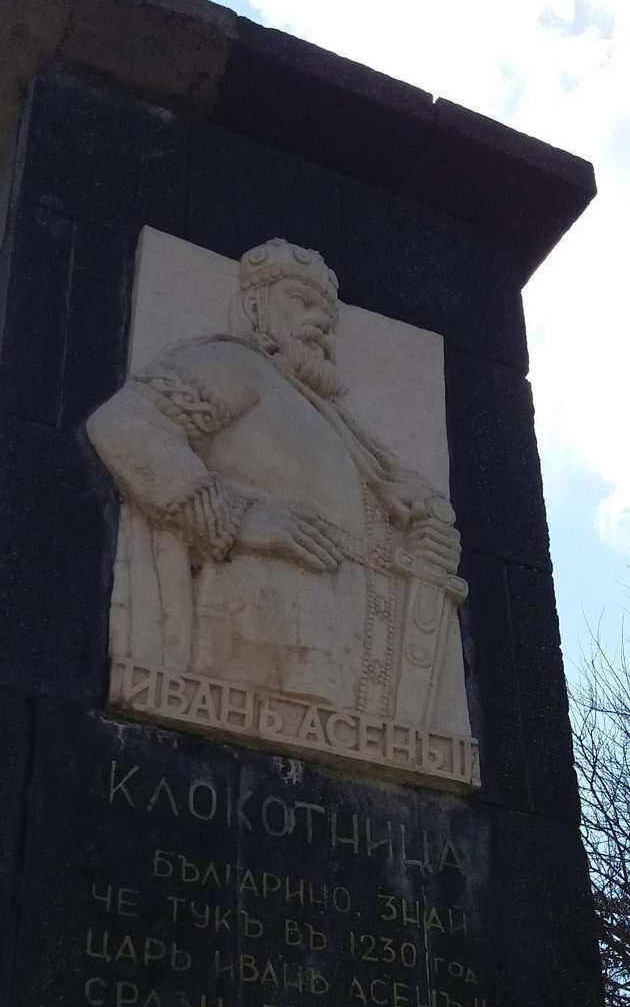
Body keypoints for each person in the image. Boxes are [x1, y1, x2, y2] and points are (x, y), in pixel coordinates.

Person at [86, 238, 469, 735]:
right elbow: (126, 424)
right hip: (260, 644)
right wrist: (235, 517)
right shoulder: (236, 365)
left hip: (349, 669)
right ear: (254, 308)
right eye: (300, 301)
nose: (321, 322)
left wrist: (425, 545)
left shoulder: (339, 424)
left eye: (327, 314)